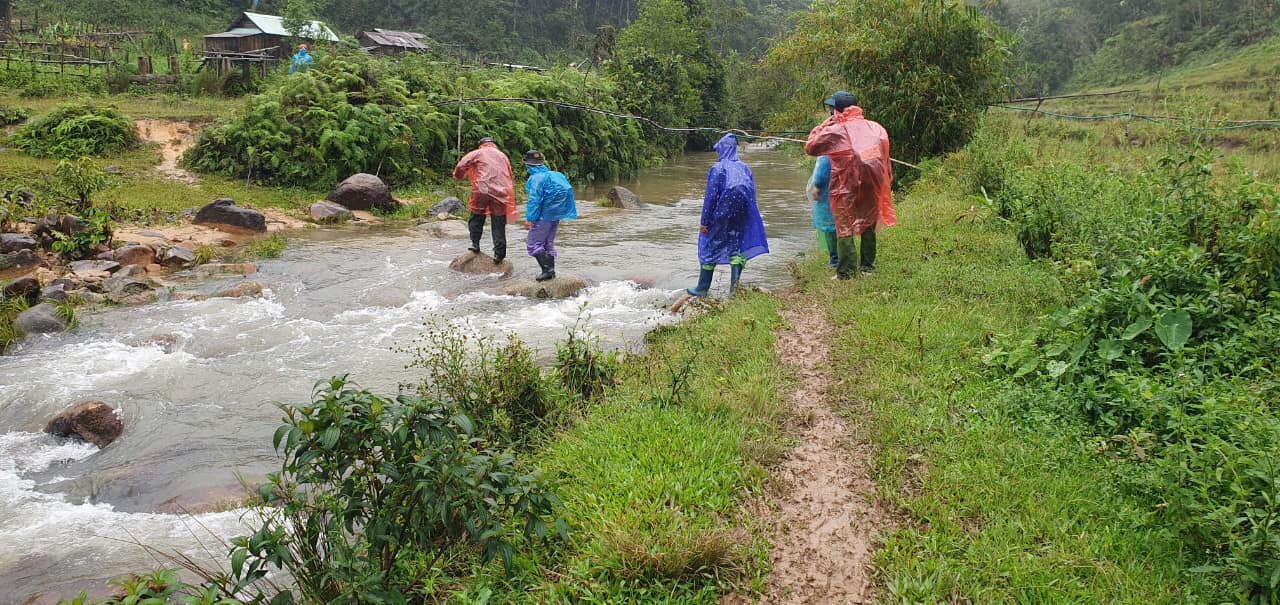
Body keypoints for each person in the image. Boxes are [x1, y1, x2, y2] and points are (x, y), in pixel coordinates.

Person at [805, 91, 897, 279]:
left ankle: (846, 272)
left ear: (837, 111)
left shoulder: (836, 131)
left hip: (845, 186)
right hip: (872, 183)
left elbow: (811, 147)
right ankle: (867, 267)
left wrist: (824, 125)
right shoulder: (875, 128)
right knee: (869, 223)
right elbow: (884, 158)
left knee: (844, 225)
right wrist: (886, 180)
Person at [686, 133, 769, 298]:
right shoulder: (745, 167)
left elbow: (710, 198)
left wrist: (705, 222)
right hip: (743, 213)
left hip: (721, 212)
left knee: (708, 244)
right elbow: (752, 192)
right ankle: (734, 290)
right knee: (736, 245)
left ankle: (702, 288)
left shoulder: (717, 169)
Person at [453, 137, 517, 264]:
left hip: (481, 189)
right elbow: (509, 174)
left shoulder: (478, 153)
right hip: (501, 191)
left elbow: (461, 165)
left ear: (481, 145)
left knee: (476, 216)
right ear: (494, 144)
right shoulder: (503, 156)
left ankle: (475, 244)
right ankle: (499, 254)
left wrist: (458, 176)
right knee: (498, 221)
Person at [522, 150, 577, 281]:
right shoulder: (556, 175)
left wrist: (530, 219)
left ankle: (547, 271)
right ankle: (551, 271)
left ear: (526, 163)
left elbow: (534, 201)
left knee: (533, 244)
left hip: (542, 217)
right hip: (555, 216)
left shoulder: (536, 178)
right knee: (548, 243)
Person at [808, 154, 838, 268]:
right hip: (842, 191)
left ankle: (835, 260)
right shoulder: (845, 146)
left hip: (828, 194)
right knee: (840, 226)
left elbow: (821, 171)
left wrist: (817, 186)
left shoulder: (826, 154)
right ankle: (843, 257)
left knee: (830, 227)